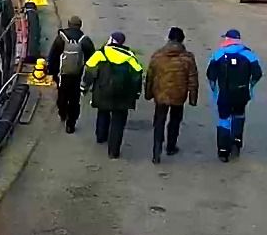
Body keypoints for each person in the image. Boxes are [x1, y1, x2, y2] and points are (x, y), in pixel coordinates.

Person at [81, 31, 143, 159]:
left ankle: (101, 136)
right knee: (118, 121)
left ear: (111, 40)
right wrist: (136, 93)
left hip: (103, 91)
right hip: (122, 94)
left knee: (103, 112)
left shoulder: (101, 53)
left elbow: (89, 69)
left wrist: (84, 87)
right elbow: (137, 74)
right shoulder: (129, 56)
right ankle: (113, 151)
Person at [206, 29, 263, 162]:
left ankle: (223, 151)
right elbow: (257, 74)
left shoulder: (219, 54)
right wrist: (251, 85)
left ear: (227, 39)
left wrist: (214, 90)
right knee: (239, 116)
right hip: (242, 93)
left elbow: (211, 75)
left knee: (224, 120)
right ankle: (236, 142)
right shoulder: (249, 54)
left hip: (224, 94)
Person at [144, 26, 199, 164]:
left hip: (160, 93)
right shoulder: (187, 58)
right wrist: (192, 98)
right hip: (179, 94)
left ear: (168, 38)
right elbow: (192, 79)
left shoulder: (158, 55)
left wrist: (148, 93)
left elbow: (150, 76)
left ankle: (156, 151)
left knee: (159, 121)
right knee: (175, 120)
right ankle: (171, 146)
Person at [47, 15, 96, 133]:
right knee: (74, 99)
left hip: (62, 74)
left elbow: (53, 56)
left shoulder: (60, 38)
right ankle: (71, 124)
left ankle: (63, 113)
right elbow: (92, 59)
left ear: (68, 24)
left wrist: (52, 72)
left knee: (62, 95)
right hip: (77, 75)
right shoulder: (85, 40)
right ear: (80, 26)